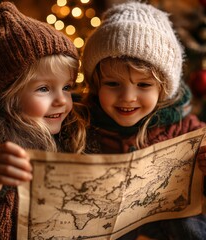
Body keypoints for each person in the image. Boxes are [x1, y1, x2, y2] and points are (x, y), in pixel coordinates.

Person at [82, 1, 206, 239]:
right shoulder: (83, 127)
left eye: (143, 85)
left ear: (163, 89)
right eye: (112, 84)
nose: (128, 98)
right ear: (96, 84)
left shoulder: (186, 129)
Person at [0, 2, 86, 239]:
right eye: (43, 88)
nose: (62, 100)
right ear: (8, 96)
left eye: (66, 87)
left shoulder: (73, 136)